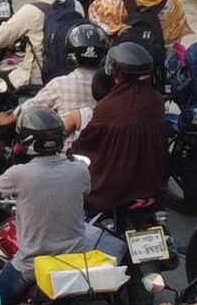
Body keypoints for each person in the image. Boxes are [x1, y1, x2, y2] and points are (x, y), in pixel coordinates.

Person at [0, 105, 108, 304]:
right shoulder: (79, 170)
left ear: (26, 139)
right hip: (77, 259)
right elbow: (85, 192)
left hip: (31, 266)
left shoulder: (19, 174)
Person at [69, 39, 169, 214]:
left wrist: (69, 153)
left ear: (117, 74)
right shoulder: (156, 100)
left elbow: (86, 143)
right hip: (152, 184)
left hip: (112, 191)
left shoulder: (108, 107)